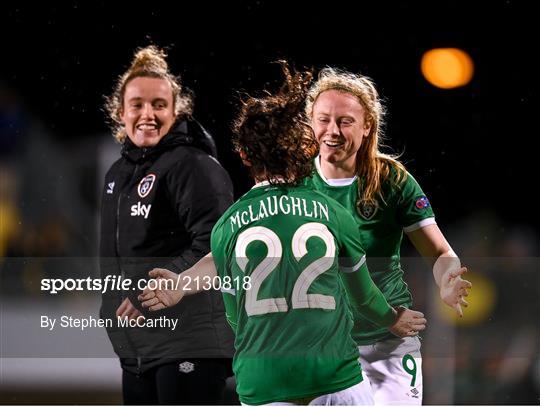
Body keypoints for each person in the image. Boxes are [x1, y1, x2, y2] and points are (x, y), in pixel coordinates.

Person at [139, 62, 427, 405]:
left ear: (243, 155)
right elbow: (363, 296)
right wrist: (393, 318)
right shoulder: (332, 212)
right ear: (303, 148)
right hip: (334, 375)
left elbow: (234, 312)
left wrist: (182, 285)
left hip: (265, 383)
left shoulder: (228, 224)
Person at [302, 67, 473, 404]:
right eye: (323, 119)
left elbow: (438, 251)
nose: (332, 131)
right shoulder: (292, 183)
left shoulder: (391, 180)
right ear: (310, 121)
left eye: (345, 121)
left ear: (367, 126)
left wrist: (448, 278)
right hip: (321, 348)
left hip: (387, 342)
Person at [100, 45, 235, 405]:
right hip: (139, 348)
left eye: (159, 104)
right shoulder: (117, 175)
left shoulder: (192, 166)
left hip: (190, 342)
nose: (148, 114)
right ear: (119, 111)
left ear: (176, 111)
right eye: (137, 104)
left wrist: (146, 296)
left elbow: (218, 245)